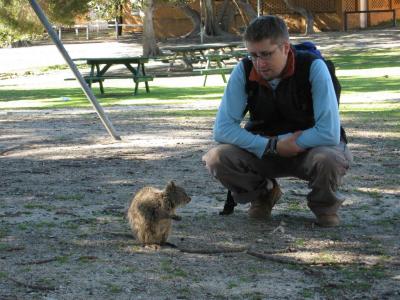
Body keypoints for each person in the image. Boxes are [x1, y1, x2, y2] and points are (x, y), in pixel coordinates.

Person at [202, 15, 352, 227]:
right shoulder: (244, 69)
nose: (259, 63)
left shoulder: (314, 67)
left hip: (311, 150)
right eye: (253, 55)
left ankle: (325, 207)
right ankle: (264, 194)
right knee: (216, 157)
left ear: (285, 47)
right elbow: (222, 129)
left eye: (266, 54)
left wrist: (290, 143)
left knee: (328, 158)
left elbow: (329, 132)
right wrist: (271, 145)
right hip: (265, 150)